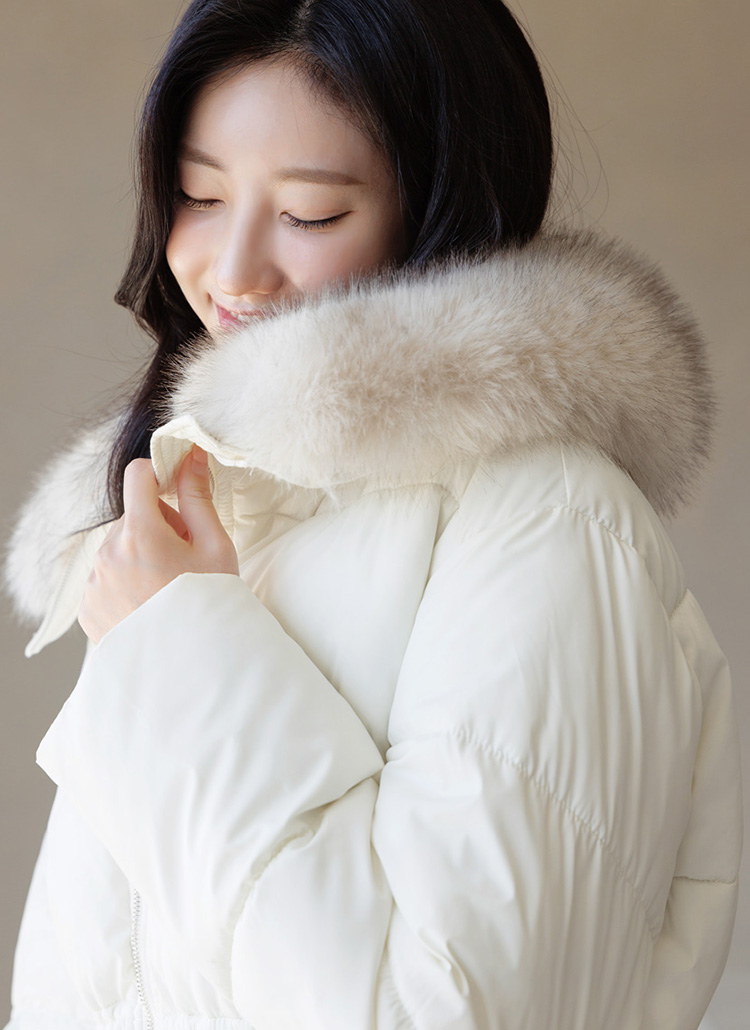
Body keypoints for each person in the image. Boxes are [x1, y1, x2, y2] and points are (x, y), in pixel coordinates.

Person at [2, 0, 742, 1027]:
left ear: (442, 206)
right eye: (198, 195)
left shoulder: (552, 523)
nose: (232, 268)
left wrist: (183, 651)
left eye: (310, 213)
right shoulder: (211, 520)